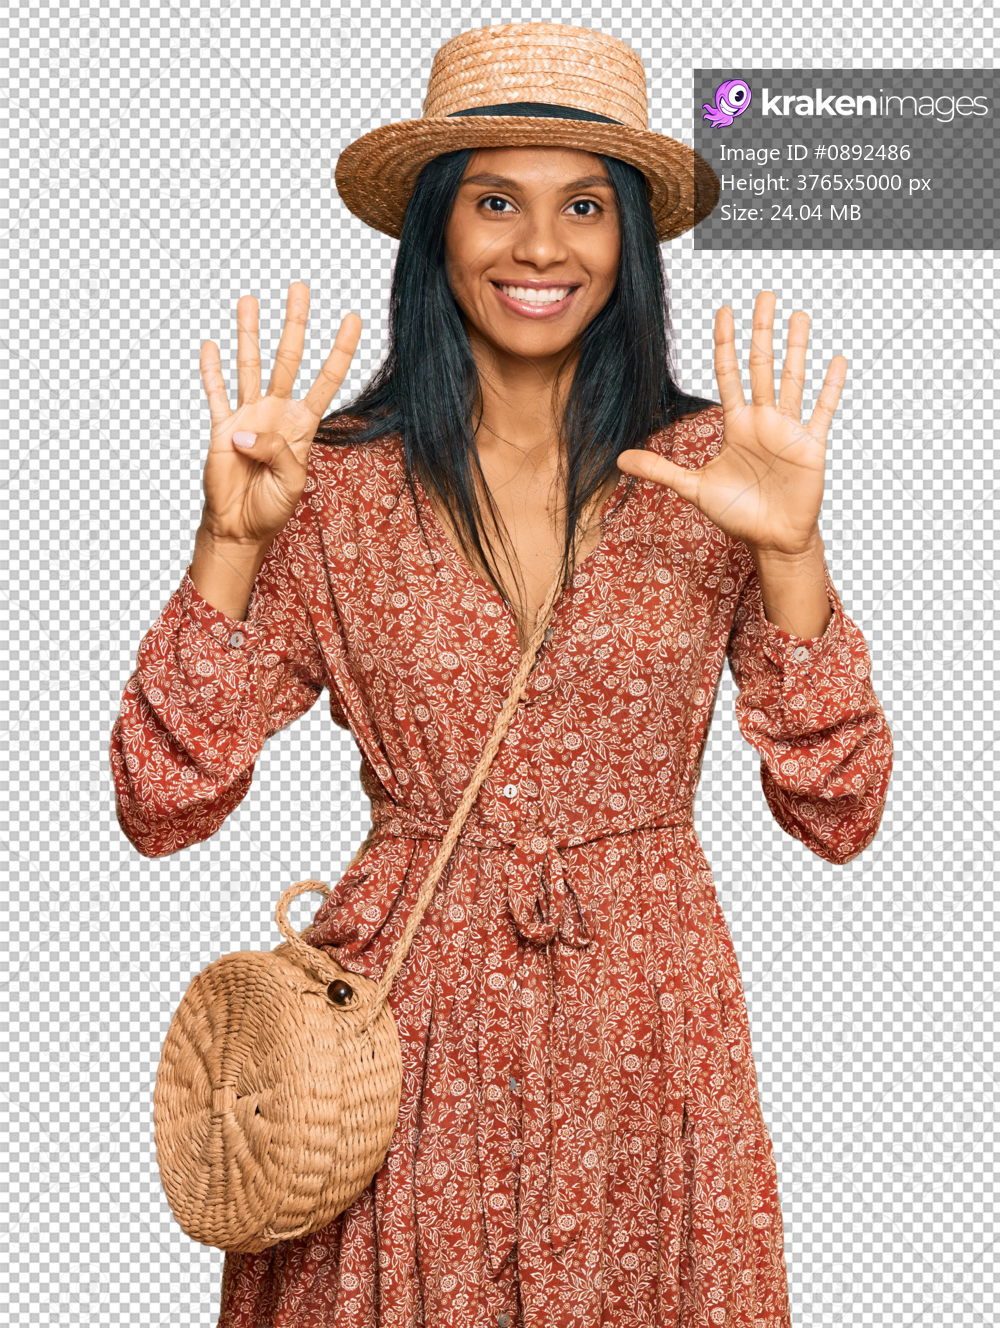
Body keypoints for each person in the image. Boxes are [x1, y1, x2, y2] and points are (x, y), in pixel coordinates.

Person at [110, 22, 893, 1328]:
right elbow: (158, 801)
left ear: (630, 240)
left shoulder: (720, 473)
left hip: (646, 1021)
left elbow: (840, 813)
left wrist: (796, 556)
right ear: (438, 228)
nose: (542, 245)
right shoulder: (336, 486)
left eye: (585, 204)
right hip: (406, 1030)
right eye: (496, 201)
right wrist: (231, 544)